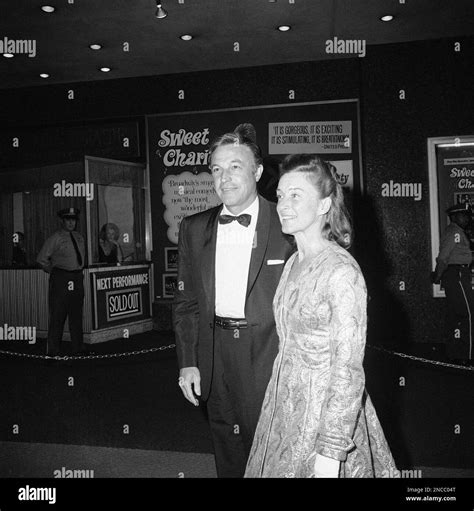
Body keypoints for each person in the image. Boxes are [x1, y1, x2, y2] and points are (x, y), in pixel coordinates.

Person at [245, 154, 398, 478]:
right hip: (283, 408)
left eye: (296, 195)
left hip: (325, 417)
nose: (283, 203)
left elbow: (347, 370)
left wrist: (331, 449)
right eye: (281, 195)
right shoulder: (292, 263)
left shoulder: (342, 272)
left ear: (325, 204)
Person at [173, 123, 294, 478]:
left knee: (272, 449)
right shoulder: (193, 228)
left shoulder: (286, 222)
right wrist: (188, 362)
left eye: (235, 167)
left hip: (268, 354)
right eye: (216, 169)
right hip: (215, 353)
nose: (224, 178)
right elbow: (186, 304)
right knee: (226, 444)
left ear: (257, 171)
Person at [37, 208, 88, 357]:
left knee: (76, 315)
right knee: (58, 316)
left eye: (74, 220)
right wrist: (55, 273)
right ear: (63, 221)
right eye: (68, 219)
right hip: (61, 279)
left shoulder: (79, 237)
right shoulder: (55, 237)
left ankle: (78, 348)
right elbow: (41, 259)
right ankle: (53, 352)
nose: (71, 222)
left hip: (77, 278)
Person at [431, 203, 473, 365]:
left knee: (456, 317)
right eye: (465, 215)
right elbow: (443, 258)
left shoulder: (456, 231)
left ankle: (456, 354)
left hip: (455, 274)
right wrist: (437, 276)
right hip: (457, 274)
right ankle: (468, 356)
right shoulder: (455, 232)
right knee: (468, 315)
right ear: (455, 217)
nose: (468, 218)